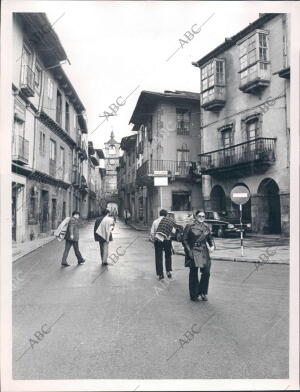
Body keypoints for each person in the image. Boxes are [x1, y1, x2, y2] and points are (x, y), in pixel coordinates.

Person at [182, 210, 214, 302]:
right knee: (194, 273)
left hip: (204, 252)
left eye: (203, 216)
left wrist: (212, 246)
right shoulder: (189, 226)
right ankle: (194, 294)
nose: (201, 218)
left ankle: (203, 292)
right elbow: (184, 239)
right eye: (200, 216)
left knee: (206, 272)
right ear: (196, 216)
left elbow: (210, 238)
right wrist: (189, 251)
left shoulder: (206, 226)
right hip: (193, 251)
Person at [150, 209, 176, 280]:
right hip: (167, 240)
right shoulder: (168, 221)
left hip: (158, 240)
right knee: (168, 255)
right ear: (166, 215)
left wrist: (153, 240)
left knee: (158, 257)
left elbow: (152, 233)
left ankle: (160, 274)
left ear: (159, 214)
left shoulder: (155, 221)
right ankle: (168, 271)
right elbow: (173, 231)